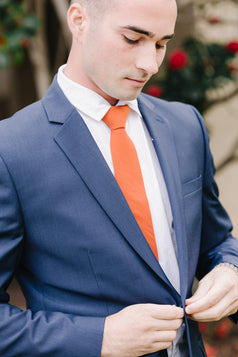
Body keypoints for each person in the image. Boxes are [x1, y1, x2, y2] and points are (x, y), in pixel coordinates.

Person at [0, 0, 237, 356]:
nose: (150, 64)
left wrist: (230, 269)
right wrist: (100, 338)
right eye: (132, 38)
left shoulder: (185, 125)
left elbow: (216, 240)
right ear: (79, 21)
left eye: (160, 43)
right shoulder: (10, 149)